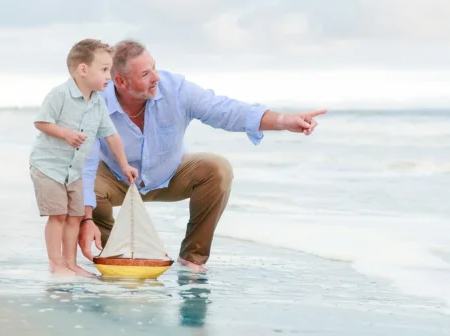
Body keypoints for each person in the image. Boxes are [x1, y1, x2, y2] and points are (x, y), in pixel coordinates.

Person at [78, 39, 326, 272]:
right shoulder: (96, 100)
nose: (156, 78)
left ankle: (192, 260)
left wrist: (285, 121)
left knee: (217, 168)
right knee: (83, 184)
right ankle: (116, 257)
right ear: (120, 82)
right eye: (145, 74)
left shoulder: (176, 89)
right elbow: (85, 159)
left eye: (154, 68)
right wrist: (85, 217)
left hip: (170, 174)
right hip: (118, 178)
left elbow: (226, 111)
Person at [29, 38, 139, 277]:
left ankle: (71, 263)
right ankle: (56, 263)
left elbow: (111, 135)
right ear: (83, 69)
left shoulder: (97, 104)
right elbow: (41, 122)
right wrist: (66, 134)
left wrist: (125, 165)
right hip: (49, 168)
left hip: (74, 171)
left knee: (75, 216)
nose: (109, 76)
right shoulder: (59, 94)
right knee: (58, 215)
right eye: (104, 69)